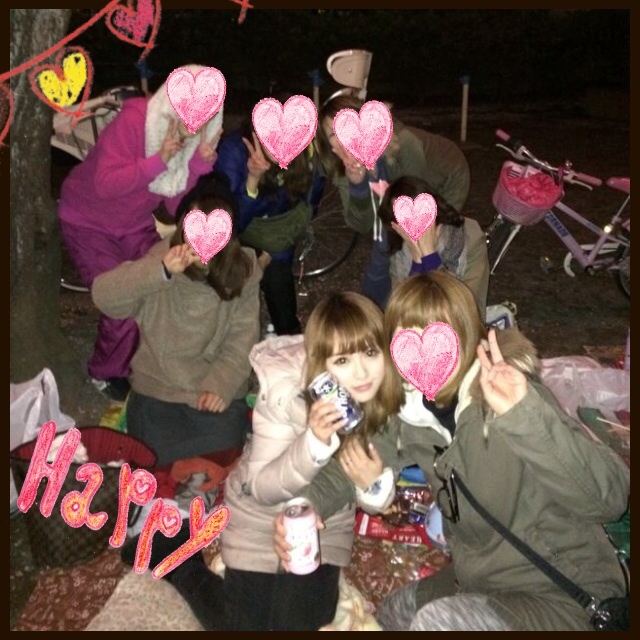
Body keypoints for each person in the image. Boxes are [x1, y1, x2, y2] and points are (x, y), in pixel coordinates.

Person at [277, 271, 630, 631]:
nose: (426, 358)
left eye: (438, 337)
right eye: (407, 339)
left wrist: (525, 416)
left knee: (438, 623)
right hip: (482, 578)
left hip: (563, 591)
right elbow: (349, 465)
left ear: (467, 335)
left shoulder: (511, 403)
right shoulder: (411, 413)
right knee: (396, 612)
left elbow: (611, 499)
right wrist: (305, 507)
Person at [121, 291, 404, 630]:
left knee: (304, 621)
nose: (361, 373)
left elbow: (371, 493)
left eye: (370, 353)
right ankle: (177, 559)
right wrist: (313, 444)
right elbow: (263, 489)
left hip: (322, 524)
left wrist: (372, 484)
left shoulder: (388, 403)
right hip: (259, 514)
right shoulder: (286, 393)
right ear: (320, 364)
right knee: (241, 626)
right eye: (342, 360)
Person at [58, 64, 223, 400]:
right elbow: (105, 185)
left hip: (133, 224)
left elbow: (174, 206)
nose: (194, 121)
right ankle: (105, 371)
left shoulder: (190, 139)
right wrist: (159, 159)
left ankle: (149, 363)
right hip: (88, 221)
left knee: (167, 286)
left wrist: (197, 166)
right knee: (122, 298)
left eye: (205, 114)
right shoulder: (136, 121)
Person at [91, 175, 260, 466]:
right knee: (158, 460)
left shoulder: (243, 270)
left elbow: (242, 340)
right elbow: (104, 297)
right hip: (160, 390)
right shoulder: (161, 259)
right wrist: (159, 272)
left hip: (211, 391)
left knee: (221, 454)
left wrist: (219, 385)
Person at [316, 94, 470, 309]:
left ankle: (439, 300)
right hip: (397, 194)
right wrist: (358, 184)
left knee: (426, 243)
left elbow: (417, 197)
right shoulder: (343, 168)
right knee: (387, 248)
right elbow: (361, 225)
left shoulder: (403, 144)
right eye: (334, 133)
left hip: (445, 179)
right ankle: (383, 310)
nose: (344, 137)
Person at [214, 120, 325, 335]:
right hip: (246, 230)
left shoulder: (304, 147)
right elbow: (231, 224)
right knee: (260, 280)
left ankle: (287, 334)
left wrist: (307, 212)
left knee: (279, 275)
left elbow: (316, 183)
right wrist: (253, 181)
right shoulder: (234, 152)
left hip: (282, 227)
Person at [377, 175, 489, 316]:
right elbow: (403, 309)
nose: (414, 223)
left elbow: (461, 308)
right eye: (403, 216)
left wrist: (429, 255)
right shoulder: (401, 249)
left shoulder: (470, 237)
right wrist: (417, 261)